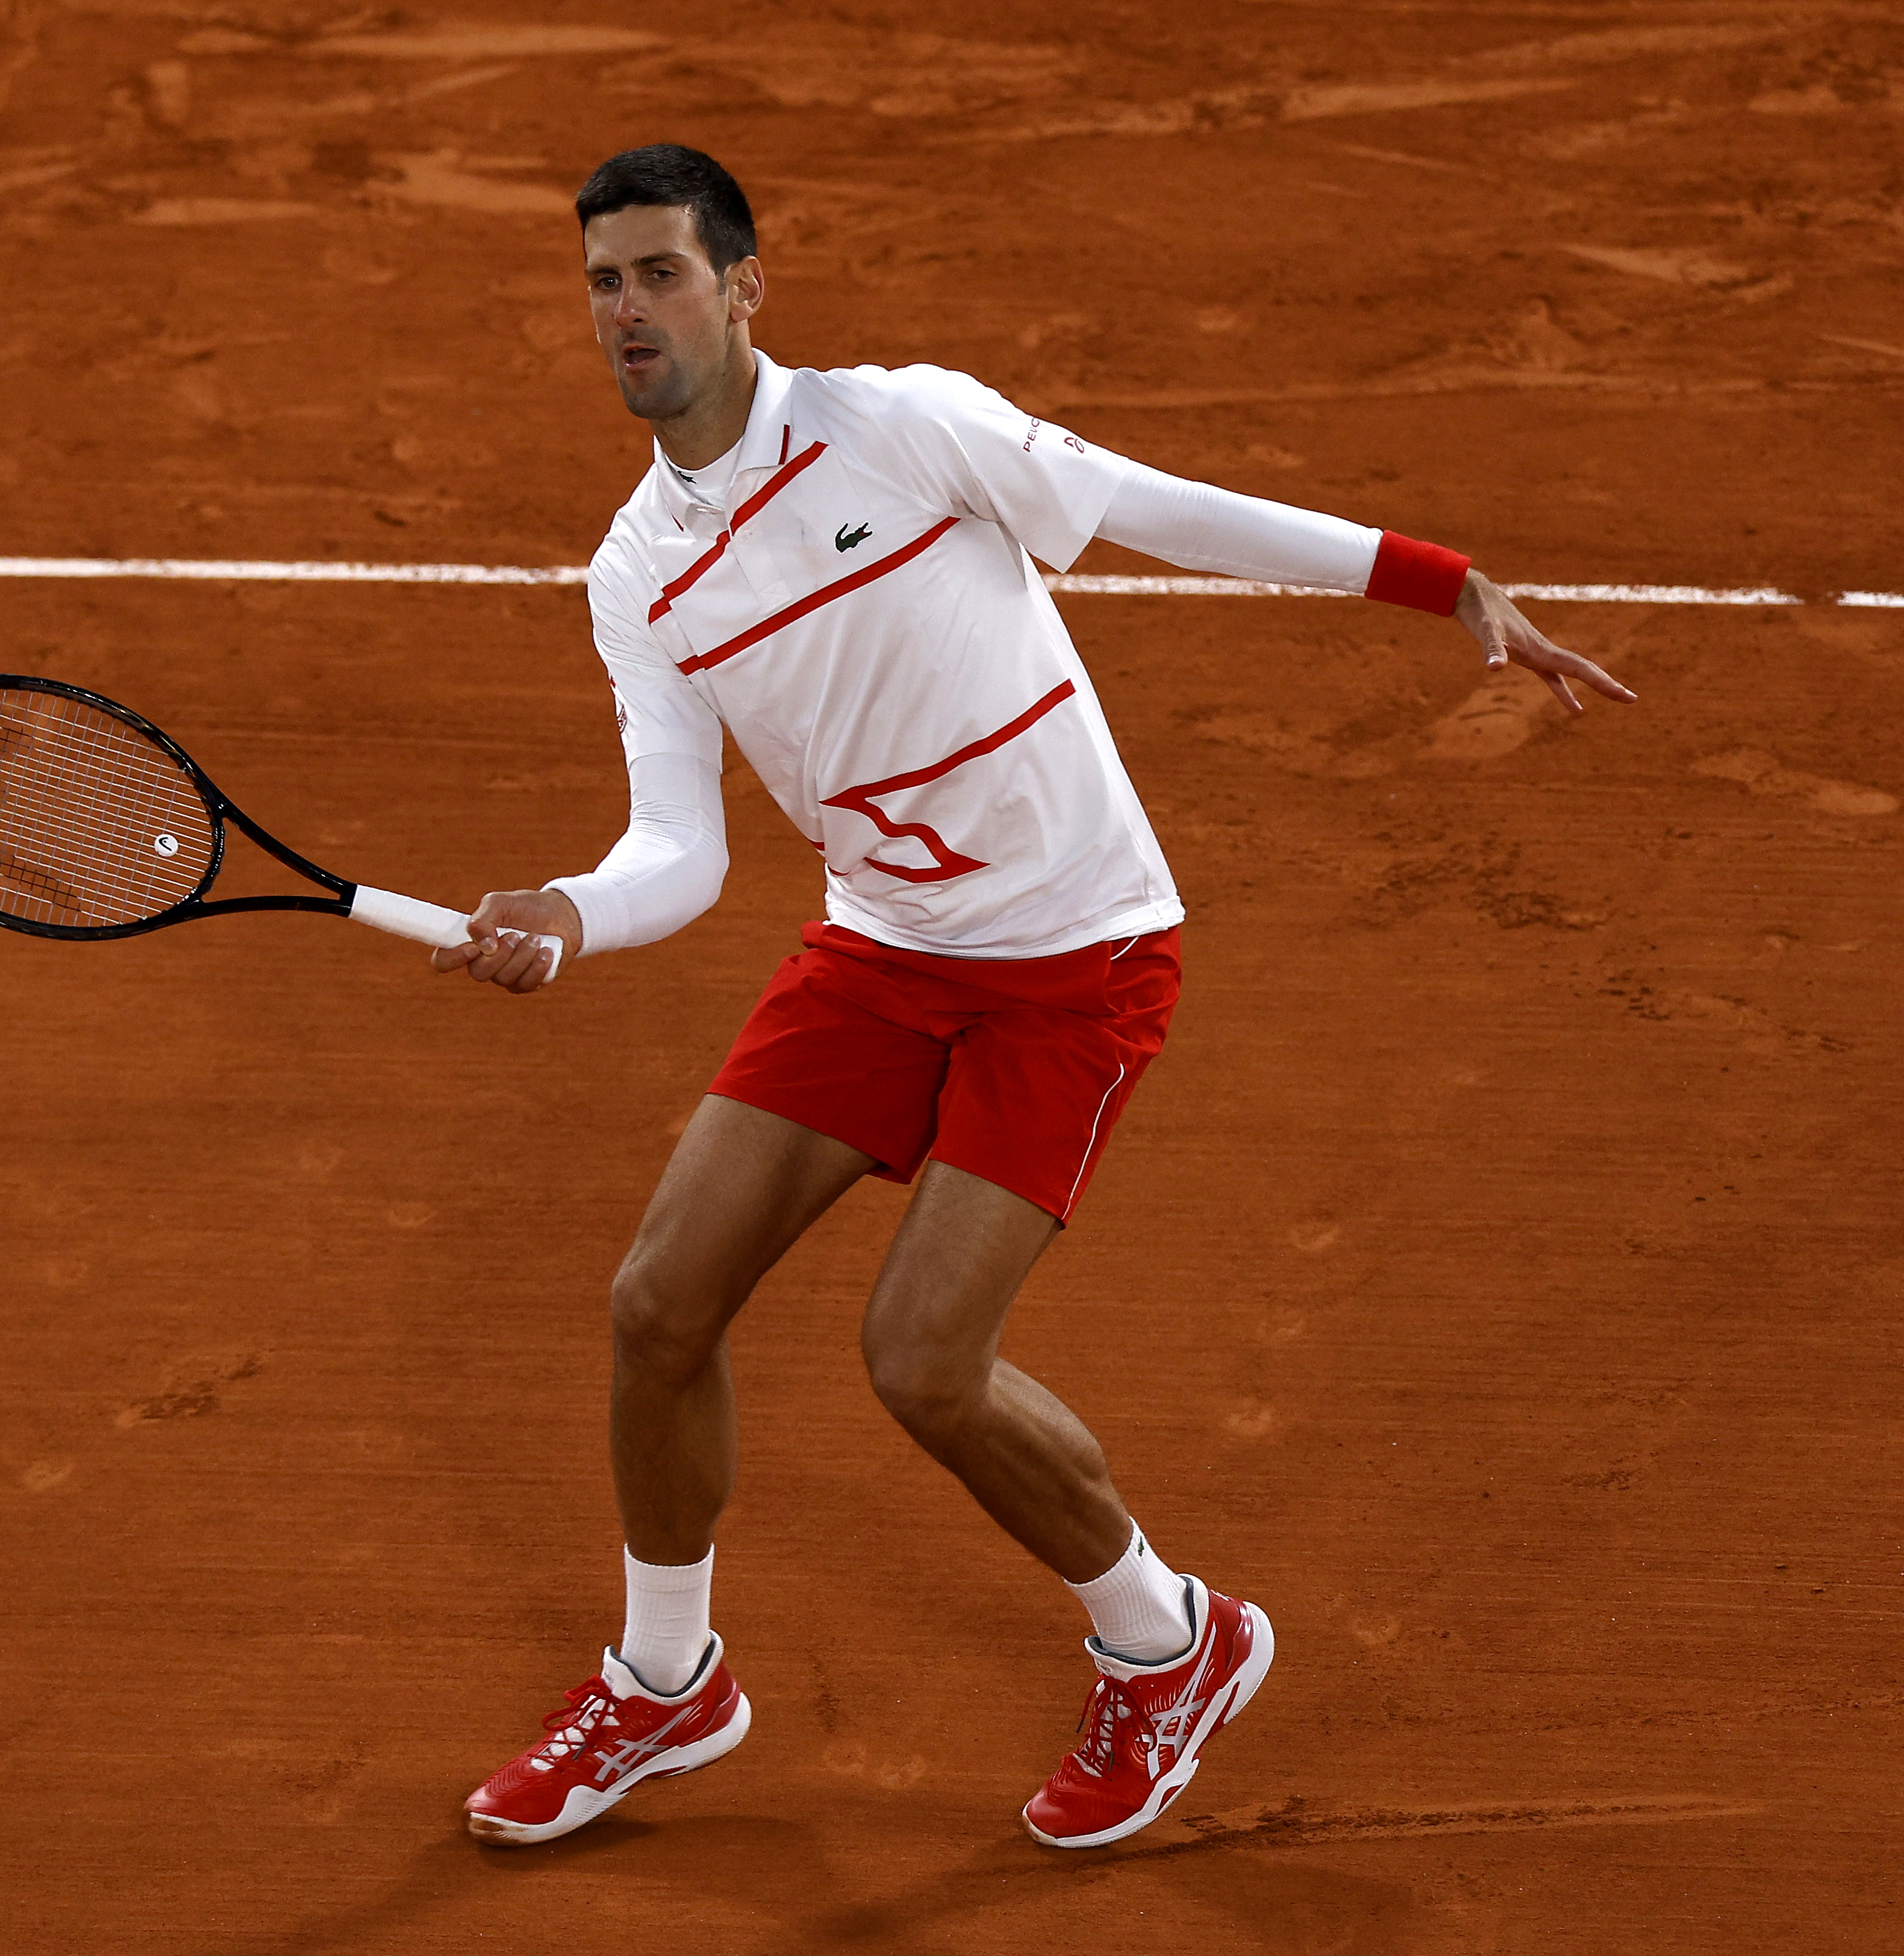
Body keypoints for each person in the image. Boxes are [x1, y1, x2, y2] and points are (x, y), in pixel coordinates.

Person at [435, 145, 1634, 1850]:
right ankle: (667, 1679)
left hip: (1075, 956)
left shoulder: (900, 426)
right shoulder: (637, 575)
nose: (628, 310)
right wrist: (572, 913)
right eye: (602, 283)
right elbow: (679, 851)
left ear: (744, 285)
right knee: (657, 1307)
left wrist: (1440, 581)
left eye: (661, 275)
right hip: (882, 947)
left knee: (921, 1361)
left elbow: (1152, 505)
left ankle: (1171, 1641)